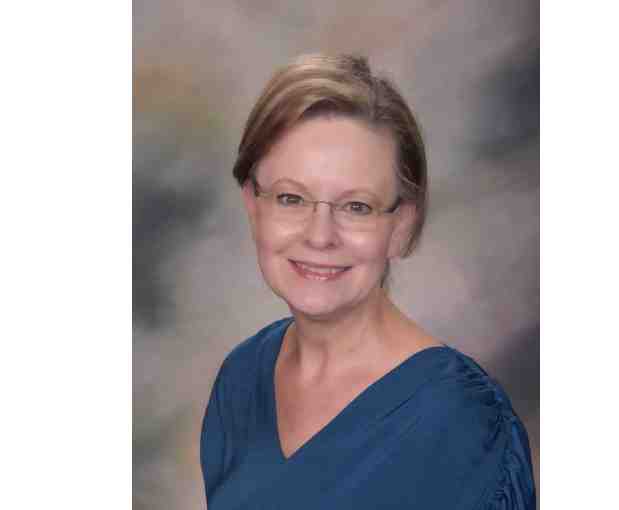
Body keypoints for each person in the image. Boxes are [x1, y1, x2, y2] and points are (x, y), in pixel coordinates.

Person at [201, 53, 536, 509]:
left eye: (356, 206)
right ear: (252, 203)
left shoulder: (465, 427)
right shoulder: (241, 379)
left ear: (402, 225)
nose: (320, 236)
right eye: (291, 198)